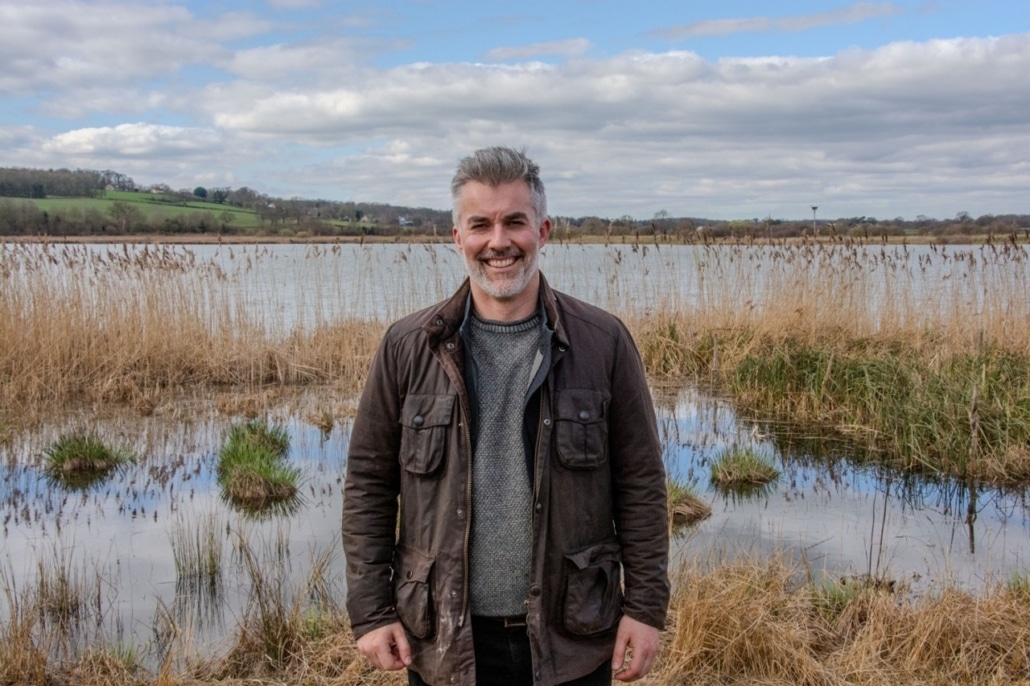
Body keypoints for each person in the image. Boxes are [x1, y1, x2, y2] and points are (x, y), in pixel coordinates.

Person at [342, 146, 669, 686]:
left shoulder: (602, 343)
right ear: (457, 238)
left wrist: (646, 607)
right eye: (481, 225)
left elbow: (641, 484)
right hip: (445, 640)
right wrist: (373, 612)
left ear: (543, 231)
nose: (498, 241)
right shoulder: (407, 347)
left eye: (514, 222)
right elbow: (368, 486)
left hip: (572, 640)